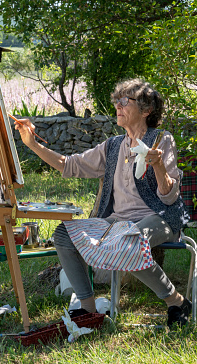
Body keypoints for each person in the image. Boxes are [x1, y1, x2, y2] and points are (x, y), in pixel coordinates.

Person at [15, 79, 190, 327]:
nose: (117, 106)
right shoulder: (114, 146)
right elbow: (69, 165)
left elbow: (170, 197)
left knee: (128, 240)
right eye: (116, 101)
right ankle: (88, 310)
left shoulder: (162, 139)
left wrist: (159, 165)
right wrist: (32, 144)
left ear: (146, 109)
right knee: (64, 234)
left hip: (160, 218)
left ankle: (176, 301)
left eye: (124, 101)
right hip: (118, 223)